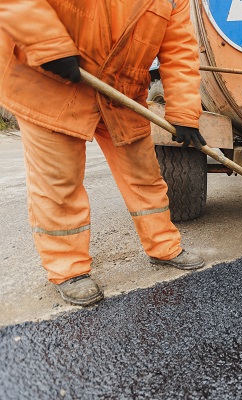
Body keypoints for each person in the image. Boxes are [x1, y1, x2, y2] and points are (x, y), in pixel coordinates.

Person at [0, 0, 206, 306]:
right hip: (50, 82)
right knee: (59, 185)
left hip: (120, 92)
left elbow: (179, 50)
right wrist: (48, 45)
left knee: (144, 174)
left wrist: (184, 113)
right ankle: (68, 269)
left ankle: (163, 246)